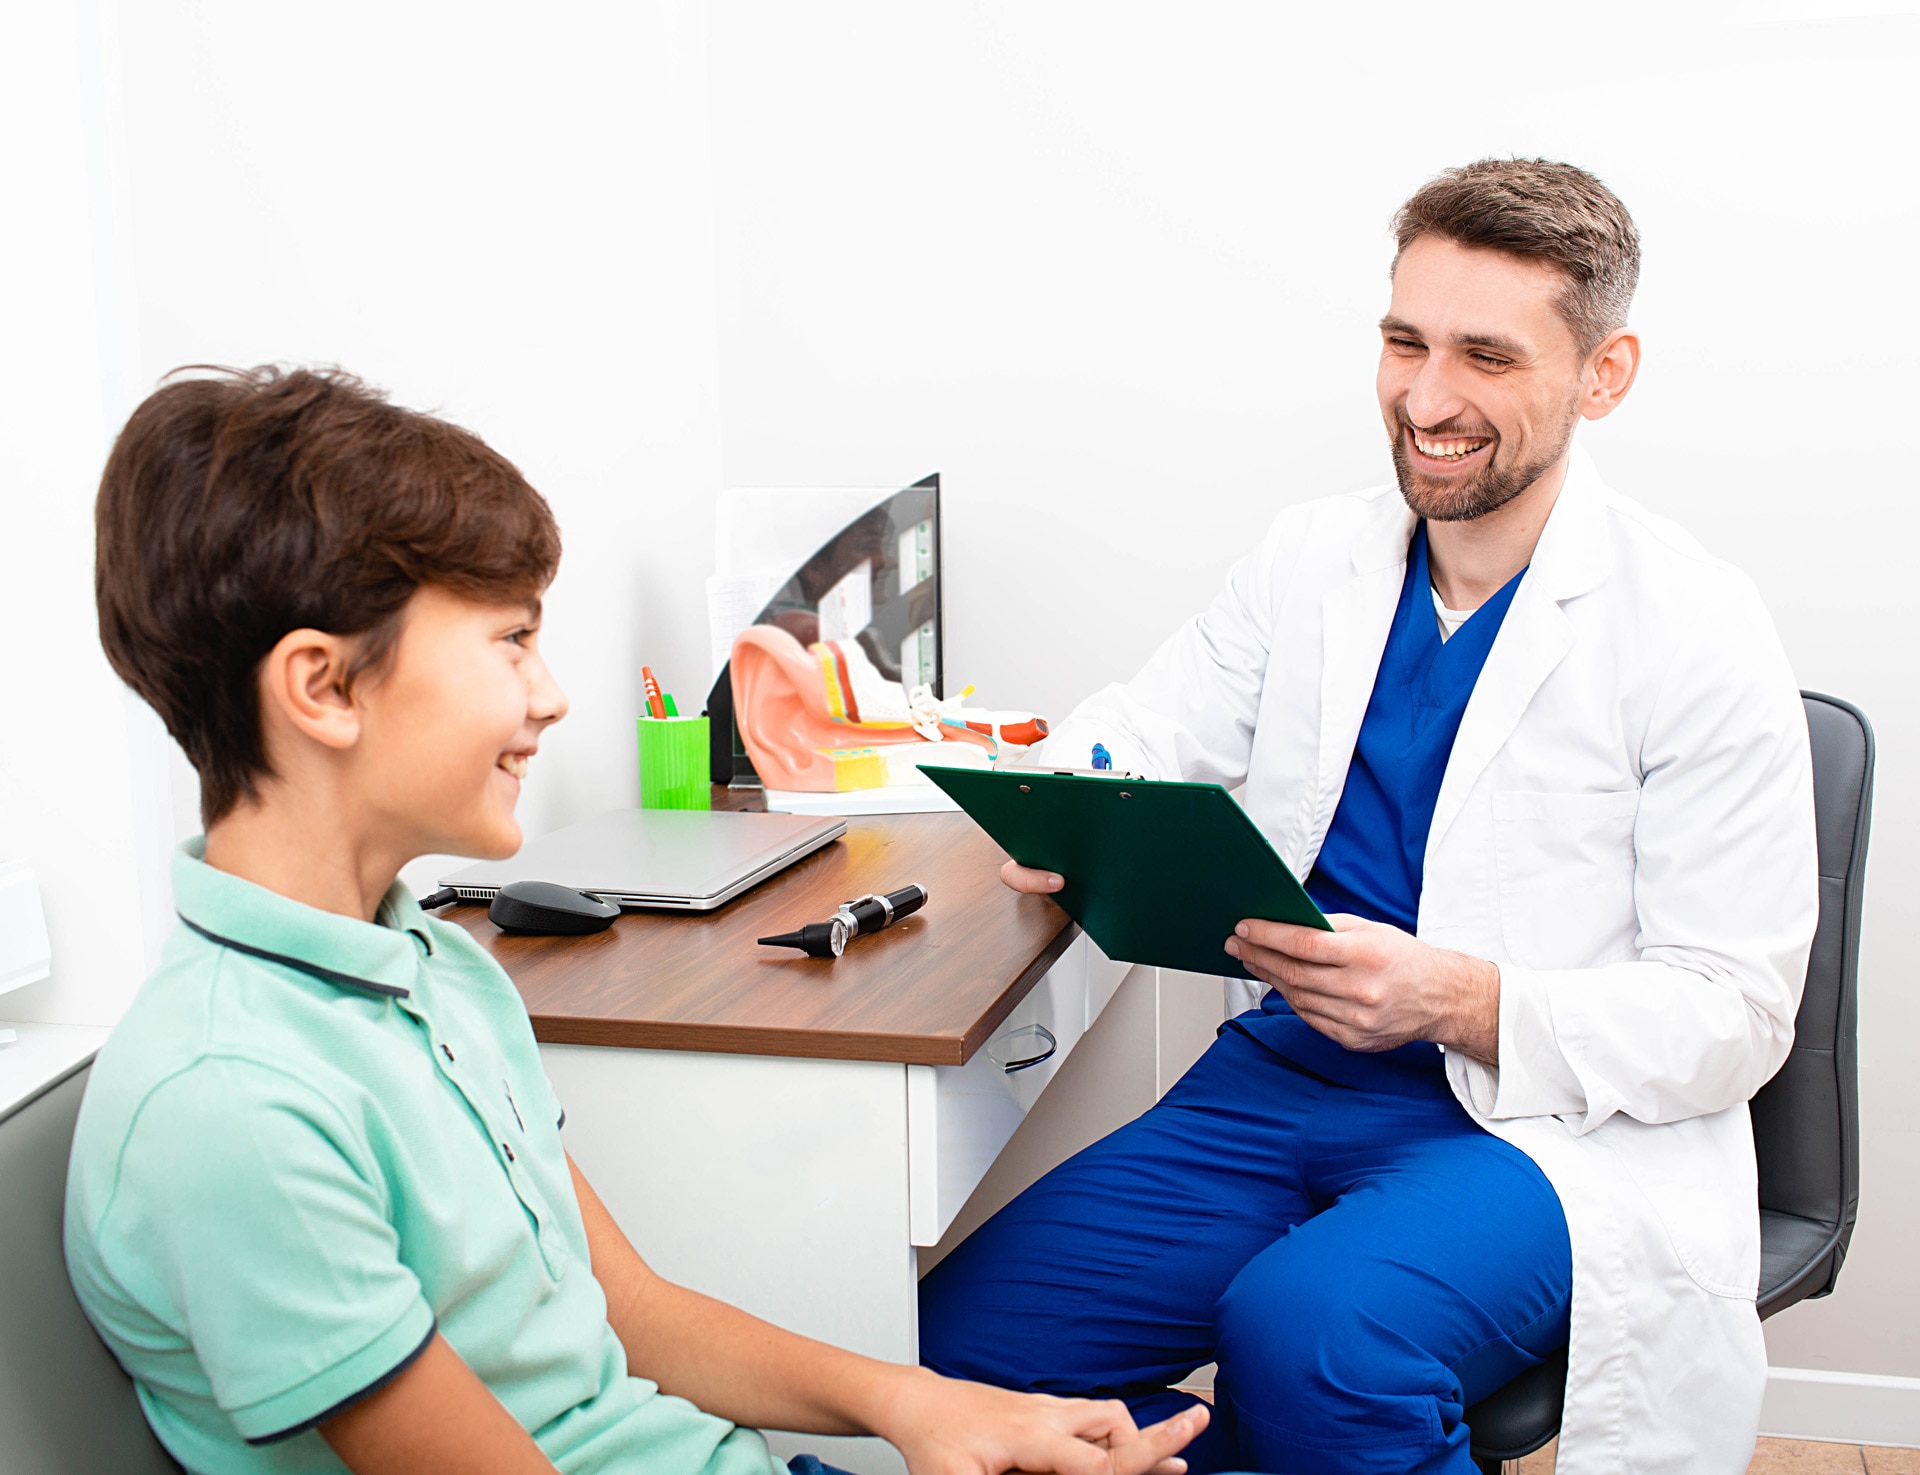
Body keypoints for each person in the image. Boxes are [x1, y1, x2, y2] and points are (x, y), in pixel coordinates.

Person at [66, 366, 1208, 1475]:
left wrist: (926, 1407)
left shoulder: (425, 963)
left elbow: (627, 1310)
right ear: (322, 687)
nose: (553, 693)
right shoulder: (233, 1102)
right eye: (510, 639)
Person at [917, 159, 1819, 1475]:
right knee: (959, 1349)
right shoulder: (1310, 560)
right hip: (1283, 1081)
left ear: (1603, 374)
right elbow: (1145, 727)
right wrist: (1060, 786)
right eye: (1404, 340)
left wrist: (1458, 996)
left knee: (1313, 1335)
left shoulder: (1695, 626)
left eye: (1487, 356)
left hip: (1538, 1129)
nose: (1426, 397)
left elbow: (1736, 1011)